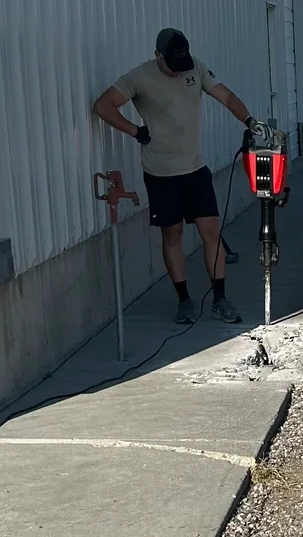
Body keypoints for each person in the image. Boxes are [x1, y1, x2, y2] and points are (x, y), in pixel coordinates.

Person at [93, 28, 249, 324]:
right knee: (172, 234)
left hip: (195, 169)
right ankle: (185, 301)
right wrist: (135, 131)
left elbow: (226, 96)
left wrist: (250, 120)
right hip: (161, 173)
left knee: (211, 233)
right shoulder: (138, 77)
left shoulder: (196, 68)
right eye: (172, 65)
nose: (179, 71)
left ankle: (219, 299)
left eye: (183, 63)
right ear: (157, 56)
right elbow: (103, 106)